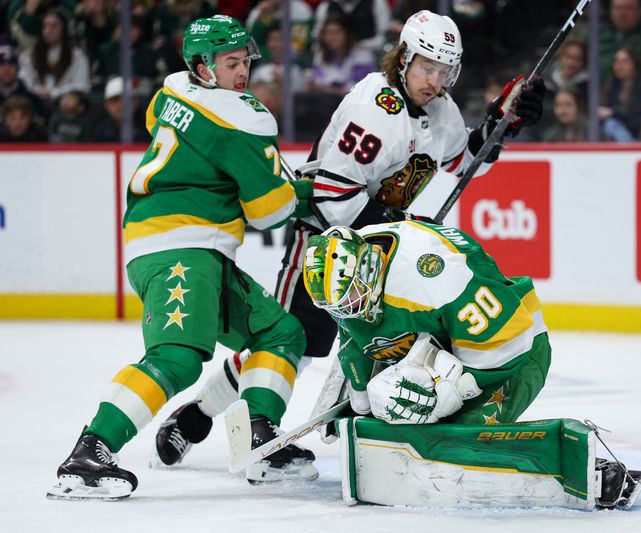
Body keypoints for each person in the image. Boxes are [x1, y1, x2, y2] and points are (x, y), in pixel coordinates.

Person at [152, 9, 545, 471]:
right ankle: (223, 424)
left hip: (376, 252)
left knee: (350, 348)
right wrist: (402, 229)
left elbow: (463, 162)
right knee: (288, 342)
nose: (434, 81)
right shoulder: (373, 106)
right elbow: (333, 193)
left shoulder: (441, 111)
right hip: (323, 241)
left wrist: (503, 121)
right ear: (403, 59)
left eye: (444, 72)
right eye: (426, 67)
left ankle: (207, 419)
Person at [47, 14, 312, 501]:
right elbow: (271, 212)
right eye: (230, 62)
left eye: (244, 61)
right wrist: (302, 189)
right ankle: (90, 451)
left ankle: (258, 439)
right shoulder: (243, 116)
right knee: (177, 358)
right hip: (181, 248)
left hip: (185, 245)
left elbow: (180, 135)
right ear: (202, 65)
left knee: (281, 331)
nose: (242, 72)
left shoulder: (169, 92)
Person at [302, 221, 551, 427]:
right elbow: (352, 329)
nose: (347, 310)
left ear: (369, 268)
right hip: (445, 342)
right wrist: (359, 386)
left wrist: (456, 389)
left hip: (514, 350)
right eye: (337, 307)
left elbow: (510, 336)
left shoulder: (432, 278)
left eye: (351, 298)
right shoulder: (351, 265)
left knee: (455, 450)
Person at [16, 8, 90, 102]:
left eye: (54, 26)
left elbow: (82, 85)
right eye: (45, 26)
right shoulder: (29, 55)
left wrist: (54, 93)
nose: (48, 31)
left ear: (64, 29)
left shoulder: (77, 56)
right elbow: (24, 82)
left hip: (65, 102)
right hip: (35, 101)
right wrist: (37, 91)